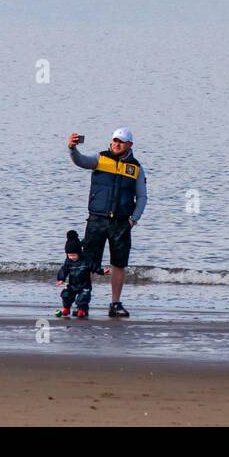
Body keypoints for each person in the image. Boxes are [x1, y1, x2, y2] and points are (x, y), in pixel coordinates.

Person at [67, 127, 147, 317]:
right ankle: (82, 302)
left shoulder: (135, 167)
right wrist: (72, 149)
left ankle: (115, 304)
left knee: (119, 264)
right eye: (114, 140)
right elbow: (80, 161)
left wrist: (134, 219)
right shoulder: (100, 158)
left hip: (121, 223)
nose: (116, 144)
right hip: (97, 219)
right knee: (89, 262)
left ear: (130, 145)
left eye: (121, 141)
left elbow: (142, 196)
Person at [55, 229, 93, 318]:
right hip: (72, 284)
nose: (72, 257)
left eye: (74, 255)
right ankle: (66, 308)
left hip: (84, 284)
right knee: (66, 295)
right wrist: (61, 279)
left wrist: (102, 271)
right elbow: (64, 270)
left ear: (79, 253)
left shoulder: (85, 260)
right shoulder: (68, 261)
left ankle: (82, 310)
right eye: (69, 255)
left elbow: (93, 266)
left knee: (83, 298)